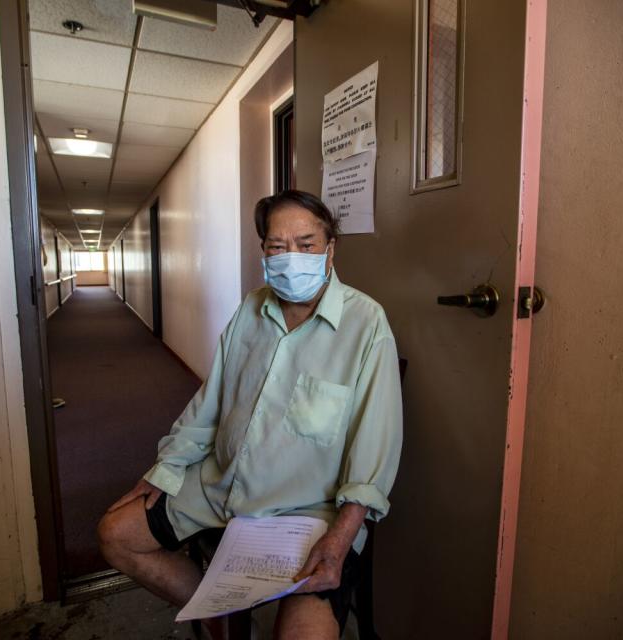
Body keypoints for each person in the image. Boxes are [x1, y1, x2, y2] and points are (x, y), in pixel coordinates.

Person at [98, 190, 403, 639]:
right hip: (220, 484)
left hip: (306, 512)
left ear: (330, 249)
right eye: (277, 247)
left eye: (306, 244)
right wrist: (163, 470)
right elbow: (211, 404)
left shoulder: (367, 325)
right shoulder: (250, 310)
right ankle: (216, 612)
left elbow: (374, 447)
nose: (290, 258)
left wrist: (340, 539)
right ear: (263, 252)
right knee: (114, 535)